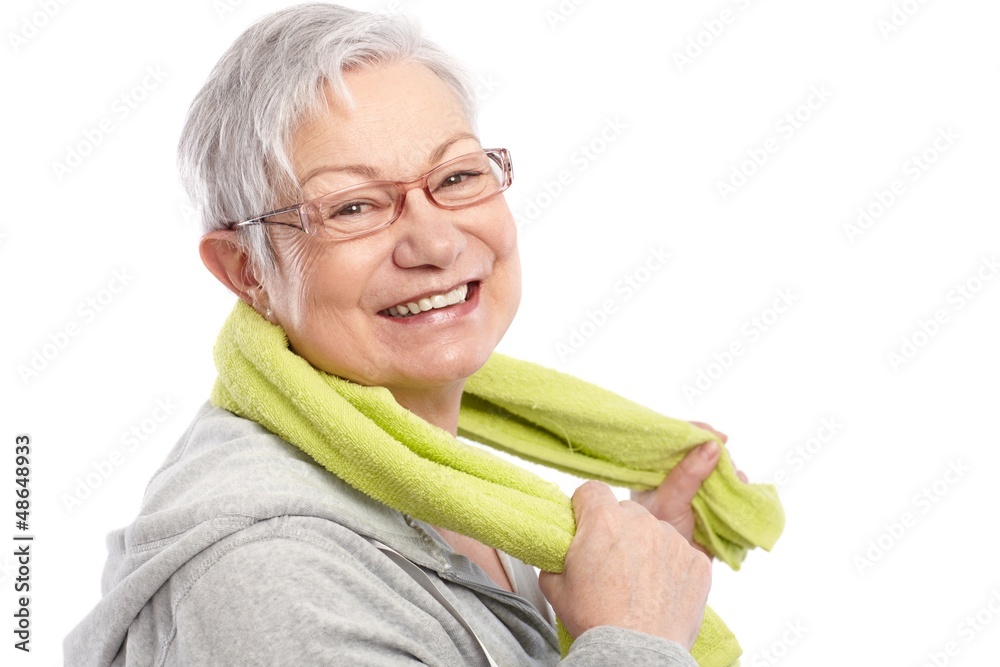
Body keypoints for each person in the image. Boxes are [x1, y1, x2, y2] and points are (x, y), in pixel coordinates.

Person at [65, 3, 743, 664]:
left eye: (457, 175)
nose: (436, 241)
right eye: (354, 206)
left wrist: (624, 586)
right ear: (248, 272)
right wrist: (634, 639)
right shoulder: (272, 574)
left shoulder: (441, 475)